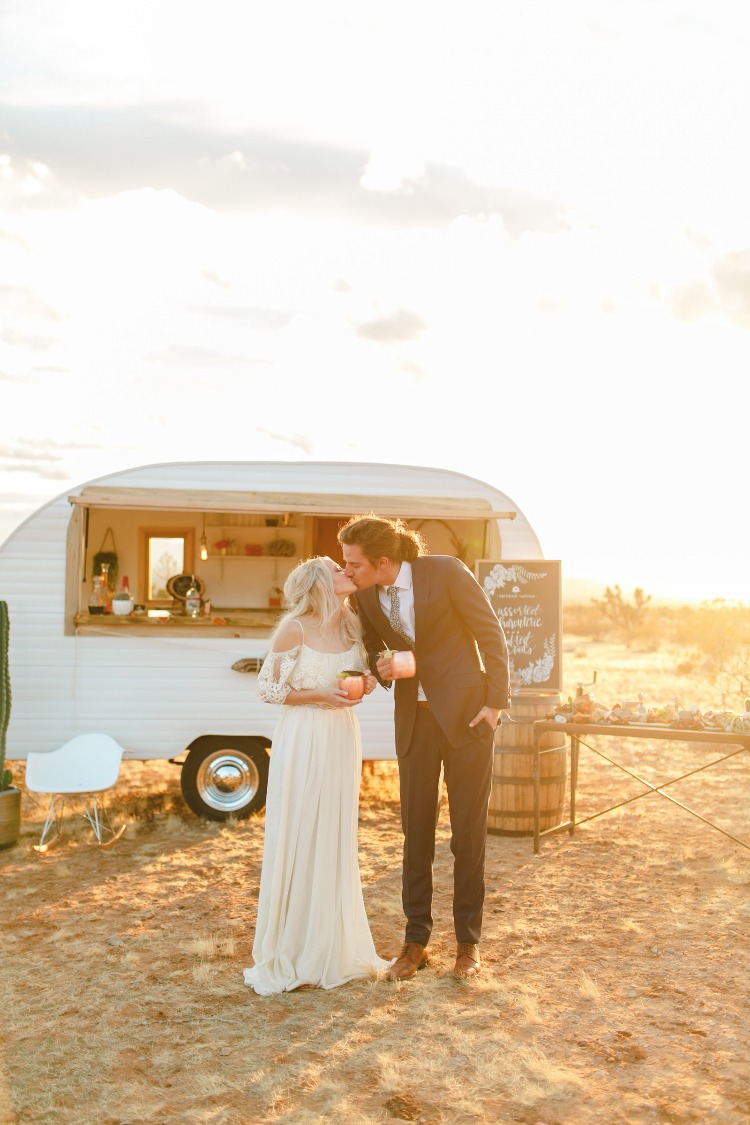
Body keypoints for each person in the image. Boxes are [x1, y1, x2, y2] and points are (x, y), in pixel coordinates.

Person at [339, 515, 510, 982]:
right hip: (414, 723)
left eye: (353, 563)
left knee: (467, 836)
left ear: (383, 561)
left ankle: (467, 944)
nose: (346, 570)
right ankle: (415, 944)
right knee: (415, 834)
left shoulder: (447, 571)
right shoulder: (366, 596)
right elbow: (375, 645)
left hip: (467, 719)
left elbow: (490, 635)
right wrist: (381, 664)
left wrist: (495, 704)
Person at [243, 556, 392, 995]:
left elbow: (362, 674)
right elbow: (267, 689)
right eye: (337, 568)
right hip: (304, 734)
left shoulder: (352, 625)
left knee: (333, 832)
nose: (348, 571)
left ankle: (331, 944)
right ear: (318, 583)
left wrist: (363, 685)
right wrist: (317, 694)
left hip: (342, 736)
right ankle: (291, 947)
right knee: (301, 829)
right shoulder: (296, 627)